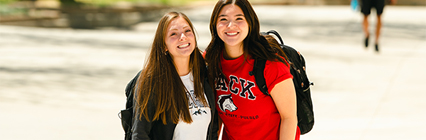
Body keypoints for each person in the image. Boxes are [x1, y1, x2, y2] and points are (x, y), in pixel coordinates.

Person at [204, 0, 300, 140]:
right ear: (214, 25)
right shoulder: (211, 60)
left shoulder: (269, 63)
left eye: (239, 19)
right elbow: (215, 117)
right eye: (223, 19)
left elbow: (289, 118)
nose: (231, 26)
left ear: (250, 22)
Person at [131, 11, 218, 140]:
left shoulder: (205, 75)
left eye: (187, 31)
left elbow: (213, 129)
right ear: (164, 46)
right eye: (173, 34)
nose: (183, 37)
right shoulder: (152, 81)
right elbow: (140, 134)